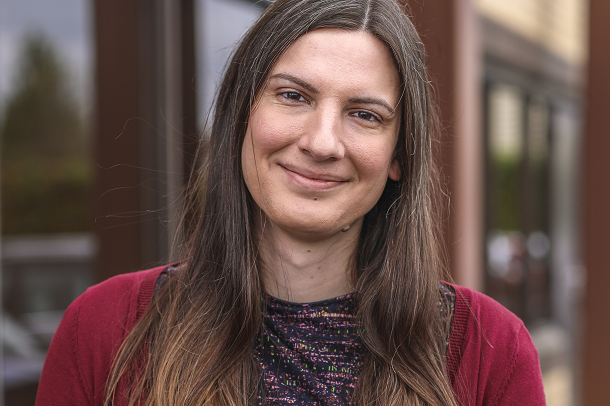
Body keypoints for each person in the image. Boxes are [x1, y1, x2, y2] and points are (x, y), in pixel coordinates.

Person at [36, 0, 546, 405]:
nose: (322, 143)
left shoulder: (490, 350)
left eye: (365, 115)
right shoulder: (104, 331)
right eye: (294, 96)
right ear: (242, 117)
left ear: (399, 155)